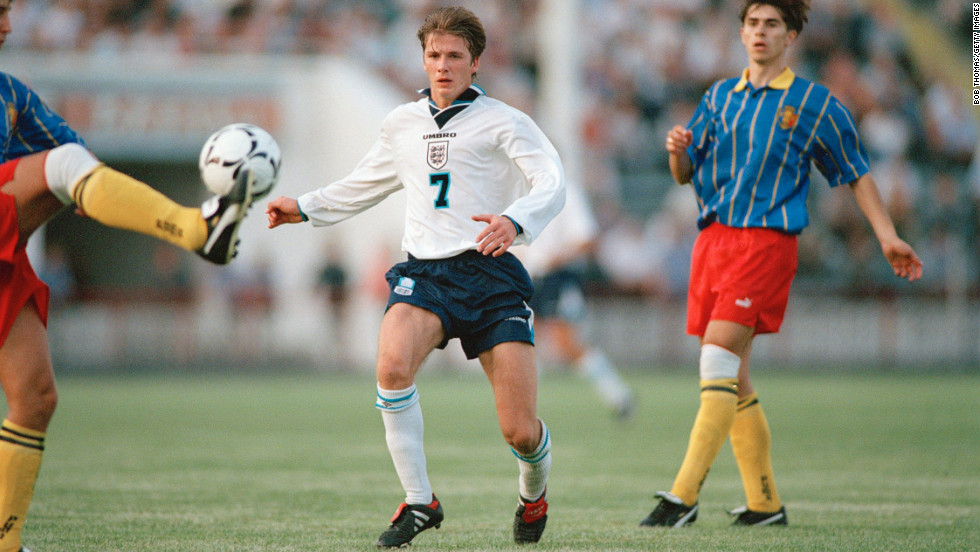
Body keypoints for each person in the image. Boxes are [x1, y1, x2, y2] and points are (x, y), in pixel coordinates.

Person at [266, 6, 564, 547]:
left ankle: (533, 494)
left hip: (491, 275)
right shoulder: (402, 122)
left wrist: (515, 220)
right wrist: (304, 207)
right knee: (392, 364)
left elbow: (552, 179)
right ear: (422, 59)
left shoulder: (505, 121)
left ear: (476, 62)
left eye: (454, 56)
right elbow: (366, 182)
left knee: (520, 431)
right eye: (433, 55)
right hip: (424, 273)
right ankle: (420, 500)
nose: (443, 65)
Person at [639, 0, 922, 528]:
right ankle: (765, 504)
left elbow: (856, 172)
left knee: (717, 364)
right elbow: (684, 174)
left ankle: (682, 498)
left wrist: (887, 236)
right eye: (751, 23)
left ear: (791, 35)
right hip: (714, 242)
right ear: (741, 32)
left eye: (771, 24)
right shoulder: (720, 96)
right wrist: (676, 149)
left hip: (765, 245)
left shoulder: (813, 103)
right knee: (736, 378)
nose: (759, 32)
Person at [0, 2, 257, 550]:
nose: (6, 26)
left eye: (7, 12)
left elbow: (74, 153)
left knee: (36, 398)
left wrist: (90, 188)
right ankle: (195, 228)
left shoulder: (11, 93)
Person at [518, 181, 634, 419]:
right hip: (531, 275)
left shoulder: (565, 190)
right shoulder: (521, 190)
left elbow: (587, 238)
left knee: (565, 342)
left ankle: (617, 394)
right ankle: (525, 410)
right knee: (528, 341)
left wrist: (554, 258)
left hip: (558, 275)